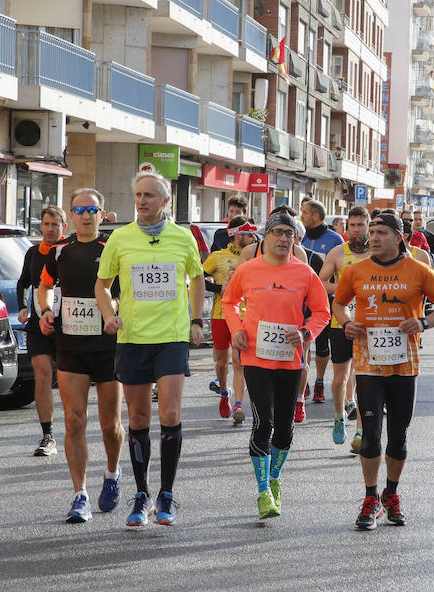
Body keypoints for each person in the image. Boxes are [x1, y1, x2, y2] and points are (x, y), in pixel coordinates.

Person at [95, 169, 205, 527]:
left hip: (171, 336)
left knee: (170, 414)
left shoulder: (182, 237)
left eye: (149, 196)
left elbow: (198, 277)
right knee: (139, 418)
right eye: (138, 195)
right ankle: (142, 493)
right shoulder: (121, 239)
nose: (142, 201)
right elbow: (102, 285)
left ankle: (167, 494)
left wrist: (196, 320)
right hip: (133, 338)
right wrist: (109, 315)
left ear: (165, 201)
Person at [333, 213, 434, 530]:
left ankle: (392, 494)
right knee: (371, 437)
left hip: (405, 363)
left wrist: (424, 322)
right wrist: (347, 323)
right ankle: (371, 497)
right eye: (371, 232)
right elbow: (339, 303)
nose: (373, 237)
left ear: (399, 237)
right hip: (368, 364)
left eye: (381, 232)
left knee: (398, 437)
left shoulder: (418, 269)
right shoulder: (355, 271)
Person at [221, 211, 330, 519]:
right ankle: (263, 492)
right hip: (256, 357)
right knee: (263, 423)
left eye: (290, 234)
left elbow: (323, 312)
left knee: (283, 429)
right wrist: (237, 328)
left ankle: (275, 478)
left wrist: (307, 332)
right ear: (265, 237)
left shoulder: (304, 273)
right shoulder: (248, 270)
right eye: (279, 232)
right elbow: (229, 302)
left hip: (290, 360)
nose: (284, 238)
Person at [38, 189, 124, 524]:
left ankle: (113, 473)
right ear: (71, 216)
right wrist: (45, 310)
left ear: (102, 214)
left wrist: (110, 310)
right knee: (74, 420)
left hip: (106, 346)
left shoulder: (112, 248)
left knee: (109, 424)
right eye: (79, 210)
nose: (85, 215)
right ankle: (80, 494)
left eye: (92, 209)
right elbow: (44, 287)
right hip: (70, 344)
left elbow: (121, 292)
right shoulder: (59, 251)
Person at [16, 205, 68, 457]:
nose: (49, 229)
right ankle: (48, 435)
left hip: (69, 325)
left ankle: (75, 427)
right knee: (43, 375)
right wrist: (22, 307)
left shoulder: (70, 251)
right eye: (46, 224)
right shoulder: (34, 253)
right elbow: (23, 281)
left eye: (54, 224)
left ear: (63, 227)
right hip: (38, 323)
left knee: (68, 380)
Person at [318, 206, 370, 447]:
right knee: (340, 379)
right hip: (340, 322)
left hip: (370, 324)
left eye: (361, 225)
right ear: (347, 227)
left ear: (368, 226)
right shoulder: (338, 252)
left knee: (365, 379)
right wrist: (345, 290)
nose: (356, 230)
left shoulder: (377, 253)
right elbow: (321, 282)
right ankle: (339, 417)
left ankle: (360, 430)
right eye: (352, 225)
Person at [202, 216, 257, 423]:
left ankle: (239, 404)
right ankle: (225, 393)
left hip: (243, 316)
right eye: (247, 234)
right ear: (235, 235)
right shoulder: (218, 256)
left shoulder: (254, 257)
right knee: (222, 363)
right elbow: (199, 278)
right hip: (219, 315)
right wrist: (219, 288)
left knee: (239, 362)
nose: (252, 237)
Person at [299, 198, 344, 404]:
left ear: (315, 216)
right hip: (300, 300)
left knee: (322, 345)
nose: (302, 216)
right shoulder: (300, 237)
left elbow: (341, 271)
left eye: (305, 213)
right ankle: (304, 381)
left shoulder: (335, 239)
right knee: (303, 342)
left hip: (325, 300)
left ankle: (319, 382)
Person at [293, 219, 325, 424]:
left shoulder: (313, 258)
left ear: (299, 236)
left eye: (290, 234)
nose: (284, 238)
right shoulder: (268, 259)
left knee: (302, 360)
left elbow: (319, 294)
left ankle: (299, 400)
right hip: (275, 318)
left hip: (303, 317)